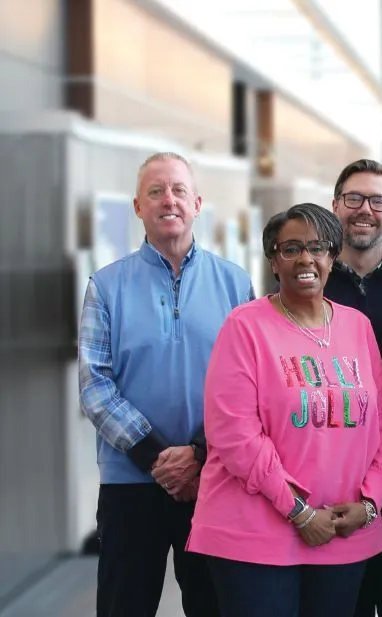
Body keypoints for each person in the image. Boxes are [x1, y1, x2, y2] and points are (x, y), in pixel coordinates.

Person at [186, 203, 382, 617]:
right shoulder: (245, 326)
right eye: (292, 248)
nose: (306, 258)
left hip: (341, 532)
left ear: (332, 257)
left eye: (318, 247)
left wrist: (370, 504)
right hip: (256, 536)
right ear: (273, 260)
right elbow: (235, 436)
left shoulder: (357, 327)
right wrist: (299, 512)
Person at [78, 152, 253, 617]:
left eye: (177, 190)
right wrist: (158, 458)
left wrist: (198, 454)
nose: (167, 200)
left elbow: (252, 386)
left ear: (197, 203)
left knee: (214, 606)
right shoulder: (106, 286)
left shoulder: (236, 285)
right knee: (124, 606)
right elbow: (95, 386)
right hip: (131, 485)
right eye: (155, 192)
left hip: (215, 478)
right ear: (138, 206)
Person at [325, 159, 382, 617]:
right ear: (335, 206)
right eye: (354, 199)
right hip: (337, 482)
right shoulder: (310, 283)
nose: (365, 210)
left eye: (378, 200)